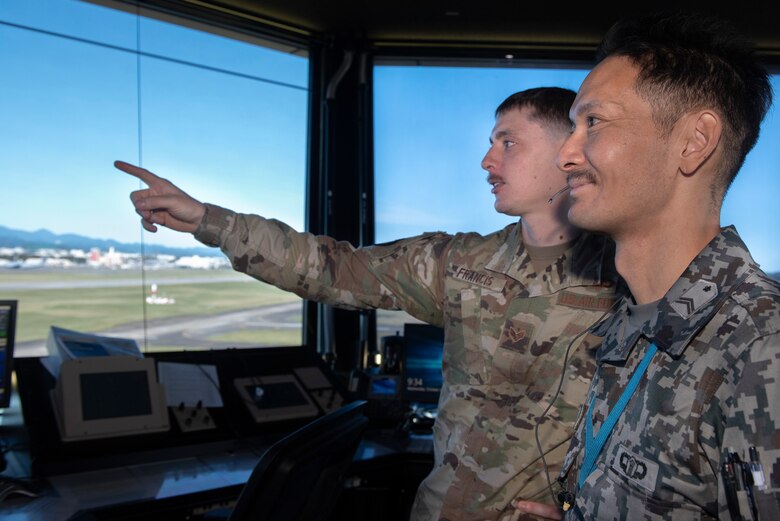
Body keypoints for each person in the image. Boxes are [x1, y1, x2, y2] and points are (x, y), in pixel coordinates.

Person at [116, 87, 624, 521]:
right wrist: (208, 219)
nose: (487, 161)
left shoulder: (631, 277)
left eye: (508, 142)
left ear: (569, 150)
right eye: (490, 143)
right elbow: (331, 267)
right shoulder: (462, 262)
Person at [517, 10, 779, 521]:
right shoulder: (630, 324)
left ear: (694, 141)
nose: (566, 155)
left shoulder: (760, 349)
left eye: (592, 122)